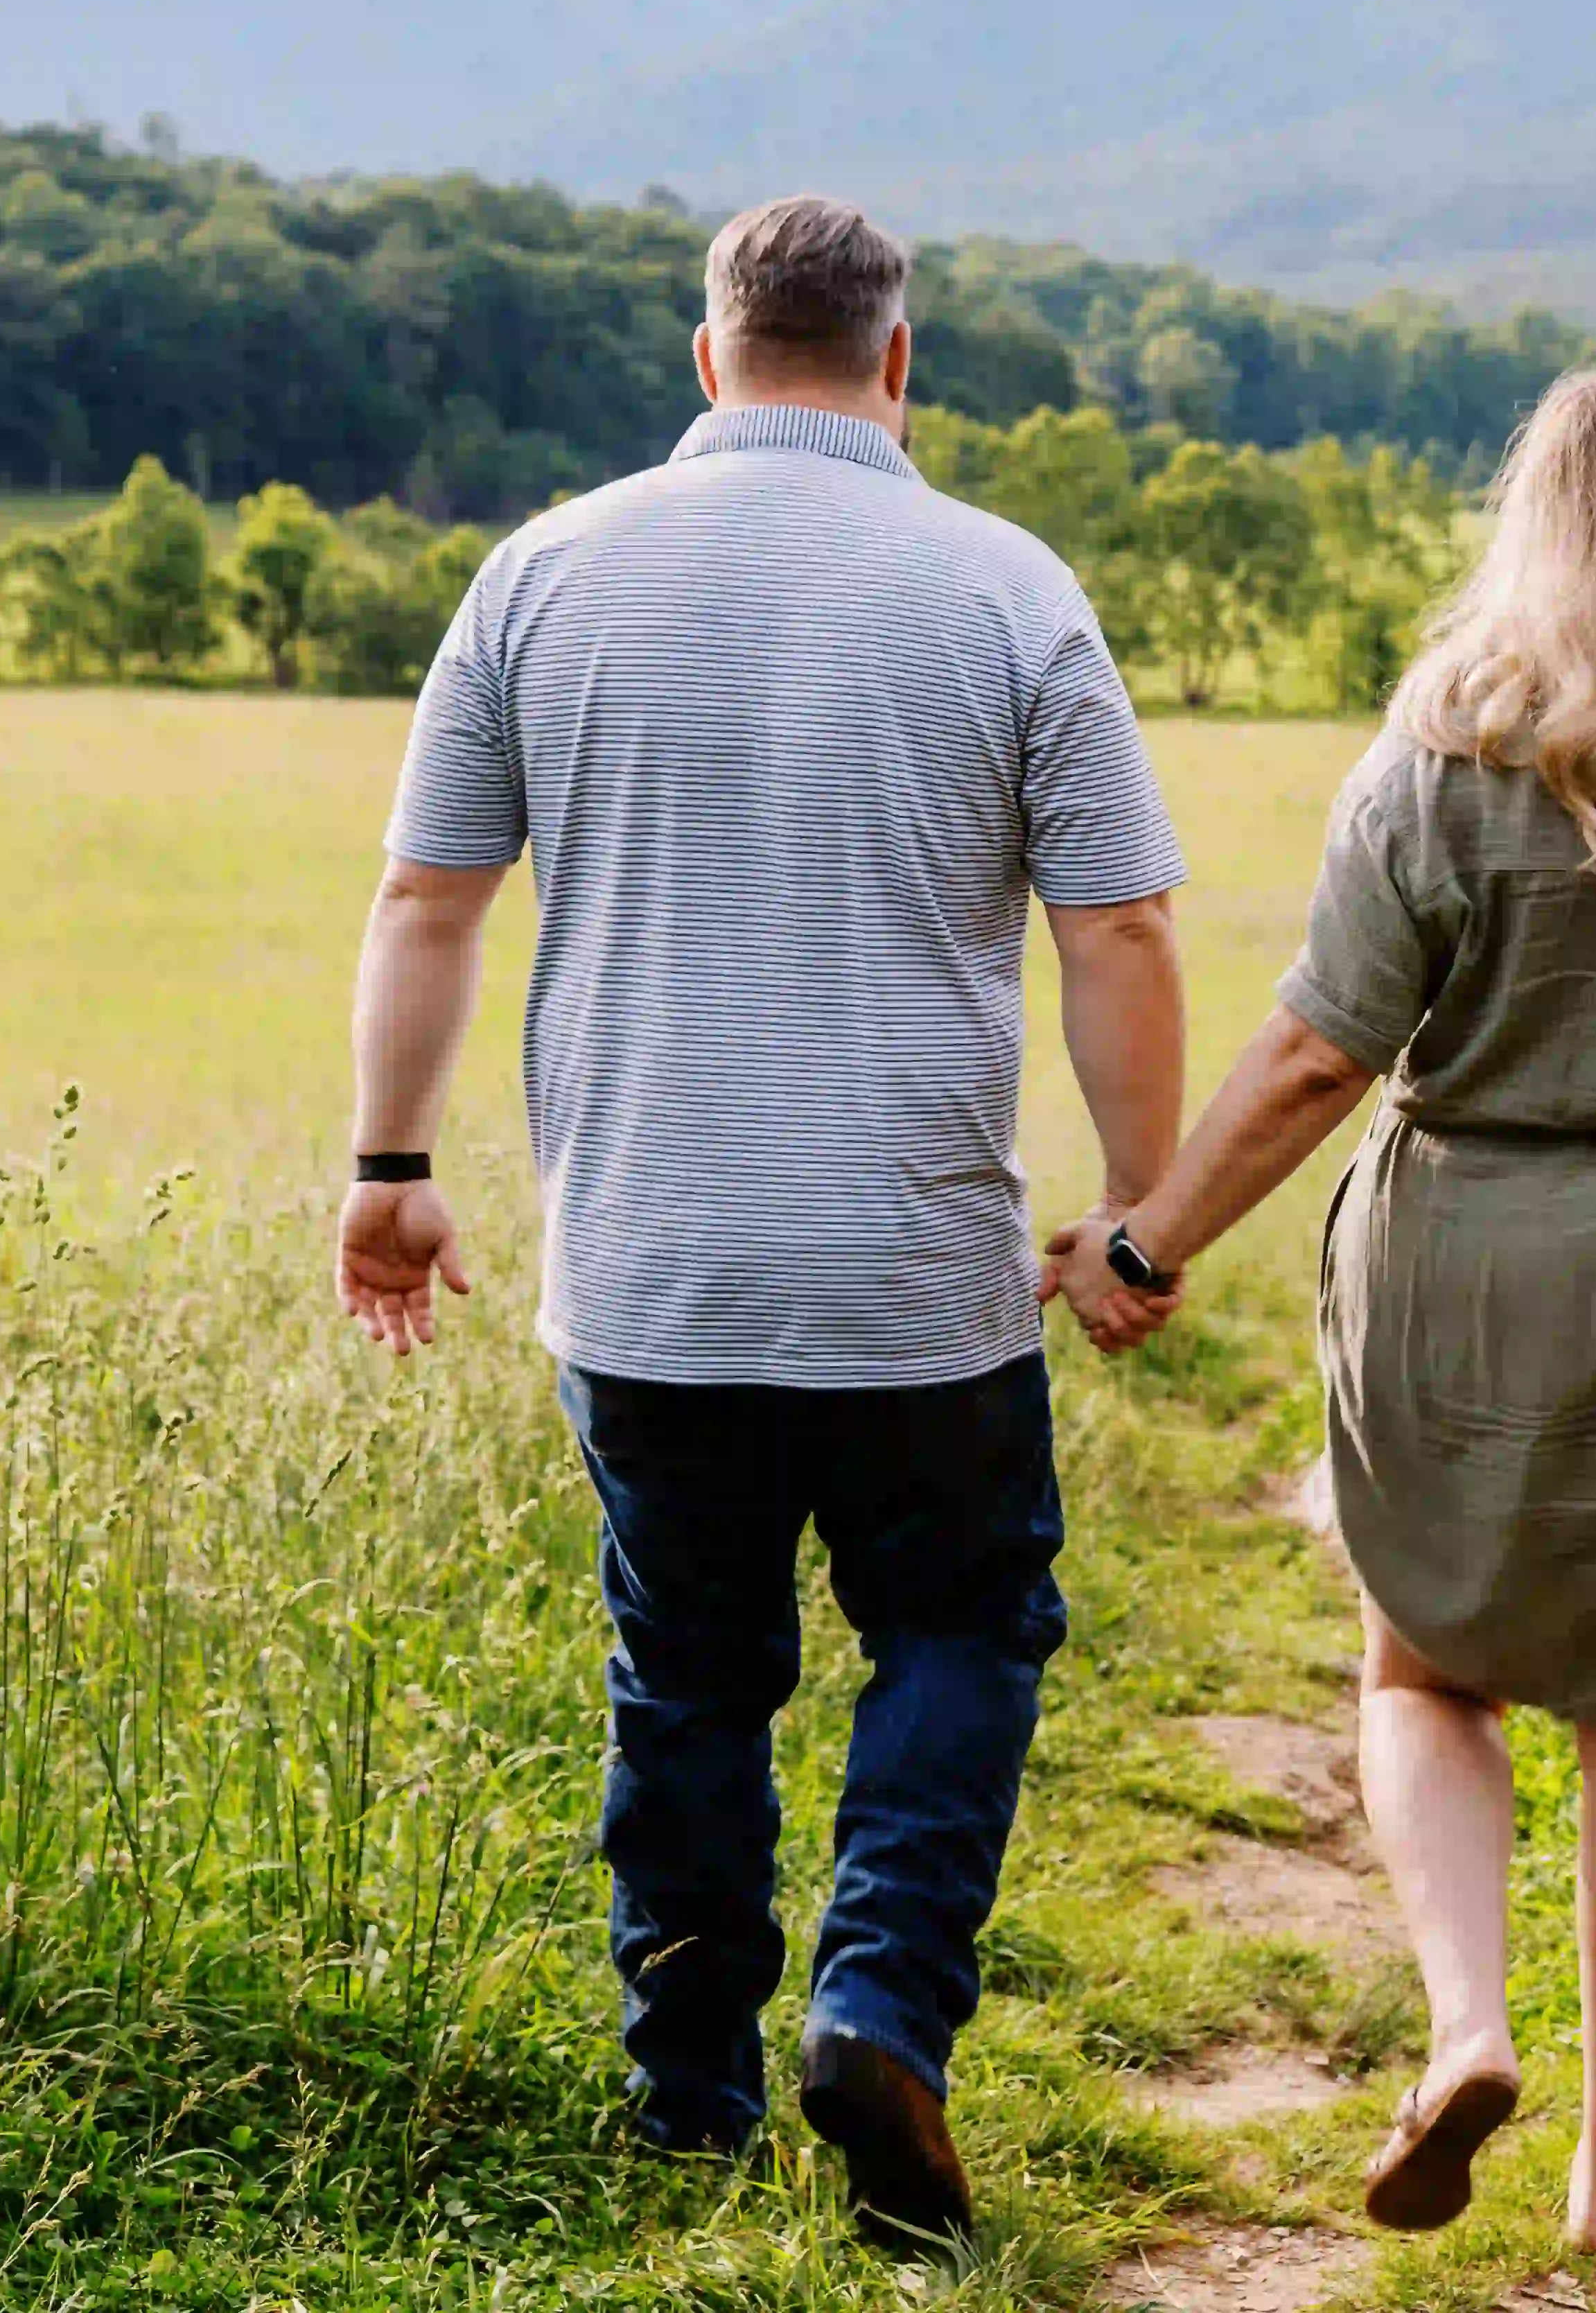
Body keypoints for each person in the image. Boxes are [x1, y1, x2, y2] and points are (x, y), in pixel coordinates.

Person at [335, 196, 1190, 2246]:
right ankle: (881, 2004)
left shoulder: (539, 572)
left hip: (650, 1267)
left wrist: (390, 1170)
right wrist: (1132, 1208)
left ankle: (688, 2099)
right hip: (917, 1274)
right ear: (899, 366)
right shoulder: (1007, 588)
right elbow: (1123, 923)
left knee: (688, 1680)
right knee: (964, 1626)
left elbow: (427, 900)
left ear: (709, 358)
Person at [1045, 369, 1596, 2252]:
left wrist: (1149, 1244)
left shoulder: (1443, 761)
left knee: (1420, 1666)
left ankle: (1466, 2029)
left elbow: (1311, 1060)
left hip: (1461, 1251)